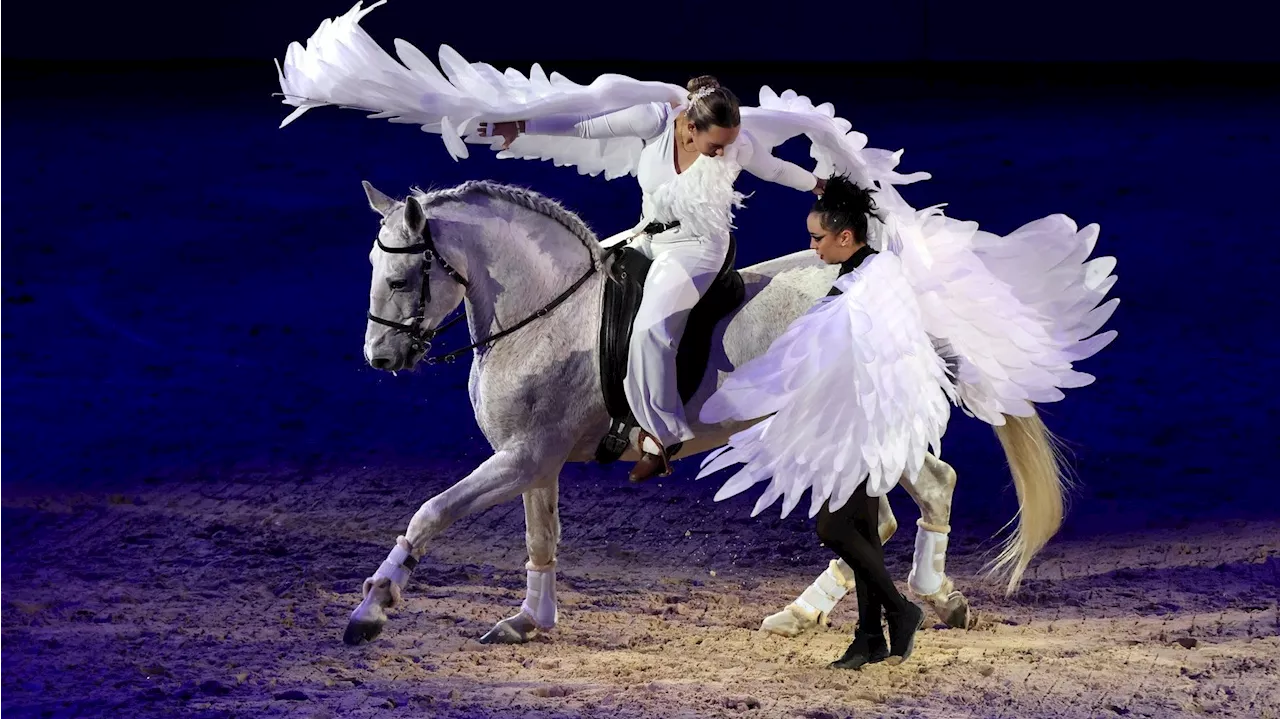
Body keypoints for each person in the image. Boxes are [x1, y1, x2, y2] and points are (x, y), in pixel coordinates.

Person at [480, 77, 827, 482]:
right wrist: (521, 127)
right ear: (689, 126)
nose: (722, 152)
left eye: (728, 144)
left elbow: (775, 168)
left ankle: (661, 437)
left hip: (697, 247)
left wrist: (816, 184)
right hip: (646, 235)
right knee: (572, 282)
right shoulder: (655, 121)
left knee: (651, 332)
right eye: (715, 144)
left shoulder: (737, 144)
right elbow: (586, 125)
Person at [698, 175, 948, 668]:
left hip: (865, 431)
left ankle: (900, 612)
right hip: (856, 427)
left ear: (846, 237)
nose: (811, 249)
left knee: (835, 529)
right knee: (863, 531)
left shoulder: (871, 283)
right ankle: (869, 638)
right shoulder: (858, 272)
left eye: (817, 239)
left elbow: (863, 356)